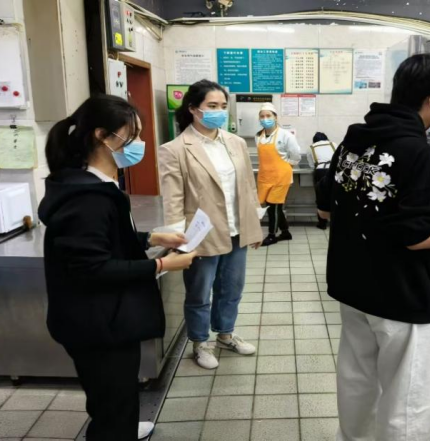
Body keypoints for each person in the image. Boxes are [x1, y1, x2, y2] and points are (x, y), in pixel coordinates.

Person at [317, 53, 430, 441]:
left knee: (357, 377)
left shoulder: (355, 137)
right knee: (408, 394)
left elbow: (325, 207)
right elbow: (416, 237)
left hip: (353, 283)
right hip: (400, 291)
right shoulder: (416, 151)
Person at [38, 95, 196, 441]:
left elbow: (104, 239)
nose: (138, 144)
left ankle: (122, 424)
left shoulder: (90, 184)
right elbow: (92, 268)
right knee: (113, 407)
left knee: (114, 395)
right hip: (98, 324)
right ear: (102, 136)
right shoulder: (87, 197)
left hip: (101, 318)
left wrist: (150, 237)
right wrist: (161, 264)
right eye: (132, 136)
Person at [159, 80, 263, 370]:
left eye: (223, 106)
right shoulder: (175, 149)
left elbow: (248, 186)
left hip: (236, 229)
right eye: (212, 106)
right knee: (199, 292)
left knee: (232, 288)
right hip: (201, 234)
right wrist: (177, 239)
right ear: (194, 109)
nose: (220, 111)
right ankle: (199, 343)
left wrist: (254, 224)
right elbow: (173, 198)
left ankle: (225, 334)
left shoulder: (235, 143)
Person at [256, 102, 302, 246]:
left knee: (273, 206)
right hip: (265, 176)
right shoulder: (259, 136)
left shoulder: (285, 135)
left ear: (275, 117)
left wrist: (287, 164)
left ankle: (272, 235)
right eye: (262, 116)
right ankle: (285, 232)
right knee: (273, 206)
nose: (265, 118)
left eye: (268, 115)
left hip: (281, 176)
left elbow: (296, 154)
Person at [307, 132, 337, 230]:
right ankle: (336, 222)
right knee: (335, 196)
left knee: (321, 196)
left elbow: (311, 165)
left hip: (320, 171)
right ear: (326, 138)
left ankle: (322, 223)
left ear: (314, 141)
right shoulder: (333, 144)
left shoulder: (311, 147)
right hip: (334, 171)